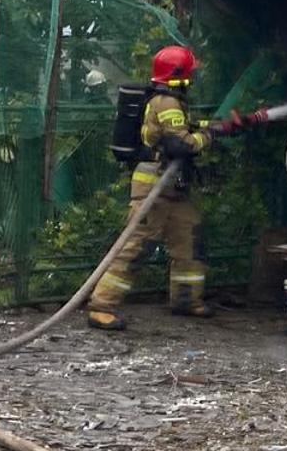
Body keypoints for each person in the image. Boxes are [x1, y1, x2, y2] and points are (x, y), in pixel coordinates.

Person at [86, 46, 246, 330]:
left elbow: (187, 127)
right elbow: (180, 144)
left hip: (173, 189)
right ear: (178, 74)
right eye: (190, 72)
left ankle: (186, 300)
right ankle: (101, 307)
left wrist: (220, 127)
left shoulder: (172, 102)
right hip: (153, 189)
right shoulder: (167, 102)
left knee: (190, 238)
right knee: (136, 247)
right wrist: (209, 136)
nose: (193, 77)